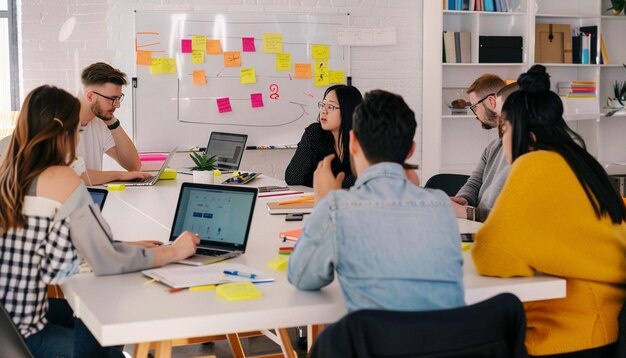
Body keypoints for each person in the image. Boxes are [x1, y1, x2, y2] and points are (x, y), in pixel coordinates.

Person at [0, 85, 200, 357]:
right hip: (26, 334)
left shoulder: (10, 174)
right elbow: (106, 261)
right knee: (109, 317)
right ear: (63, 130)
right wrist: (174, 251)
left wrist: (115, 244)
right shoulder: (59, 177)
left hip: (10, 319)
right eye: (78, 130)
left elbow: (53, 244)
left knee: (105, 321)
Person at [472, 65, 626, 357]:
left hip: (564, 334)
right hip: (601, 322)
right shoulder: (580, 160)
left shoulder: (533, 164)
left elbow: (491, 255)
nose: (502, 138)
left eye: (503, 129)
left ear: (515, 128)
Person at [288, 90, 464, 312]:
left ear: (353, 143)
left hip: (375, 344)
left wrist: (323, 203)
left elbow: (302, 277)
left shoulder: (336, 208)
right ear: (411, 149)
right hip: (448, 342)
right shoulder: (441, 205)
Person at [451, 74, 517, 222]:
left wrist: (466, 213)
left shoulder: (529, 154)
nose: (475, 115)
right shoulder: (492, 148)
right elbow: (474, 183)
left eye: (475, 107)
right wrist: (463, 199)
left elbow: (514, 217)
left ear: (492, 101)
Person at [78, 62, 152, 185]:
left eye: (118, 98)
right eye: (112, 99)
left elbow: (133, 165)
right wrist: (120, 175)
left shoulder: (99, 122)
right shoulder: (59, 122)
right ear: (90, 97)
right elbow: (69, 175)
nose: (117, 105)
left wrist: (112, 122)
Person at [285, 84, 363, 188]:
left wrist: (324, 181)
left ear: (348, 111)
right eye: (323, 105)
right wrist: (335, 183)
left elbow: (365, 179)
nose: (323, 111)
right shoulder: (315, 133)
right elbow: (293, 178)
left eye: (330, 107)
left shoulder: (365, 140)